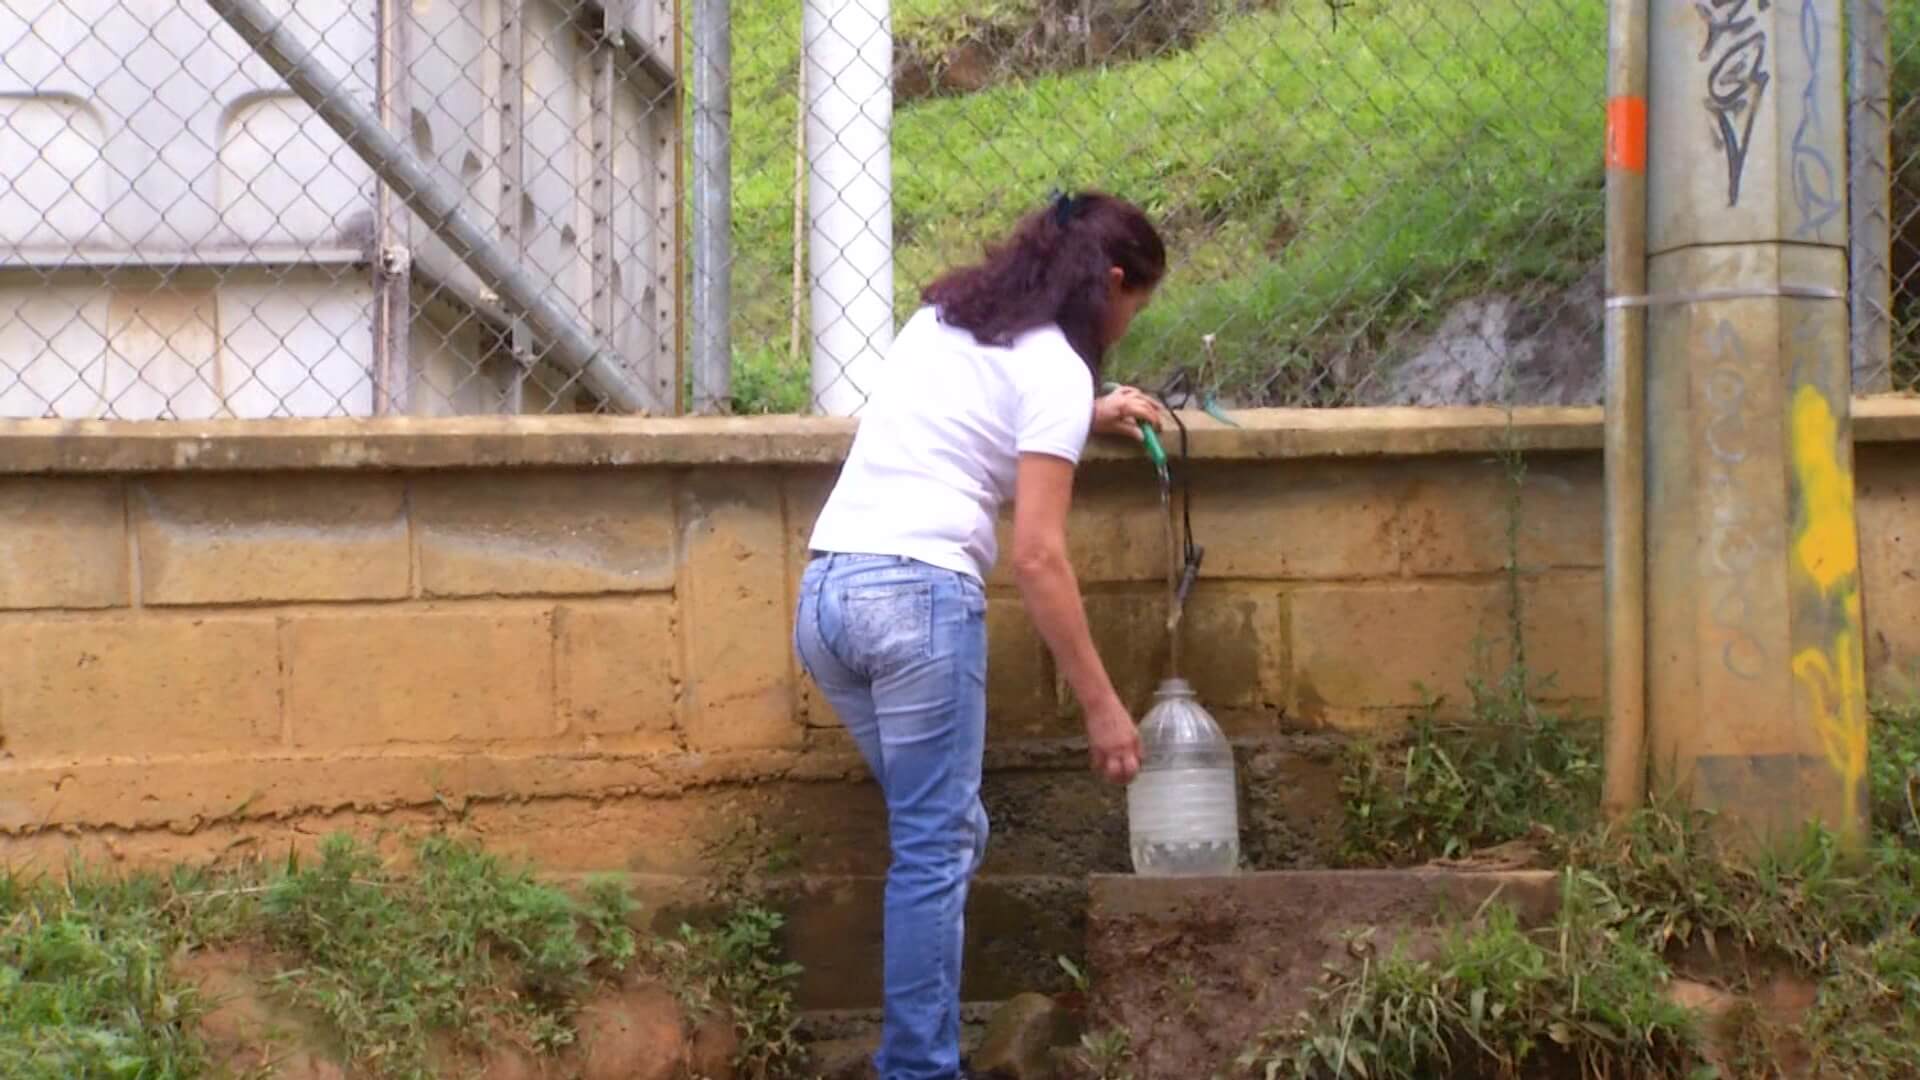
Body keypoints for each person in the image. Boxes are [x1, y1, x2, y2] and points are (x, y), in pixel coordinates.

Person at [793, 190, 1170, 1080]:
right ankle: (919, 1070)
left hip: (828, 595)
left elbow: (969, 418)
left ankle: (915, 1055)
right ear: (1111, 284)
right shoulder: (1057, 369)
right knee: (934, 849)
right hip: (917, 602)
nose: (1128, 323)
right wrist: (1104, 707)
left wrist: (1092, 410)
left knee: (947, 834)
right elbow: (1039, 557)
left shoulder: (942, 320)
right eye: (1136, 305)